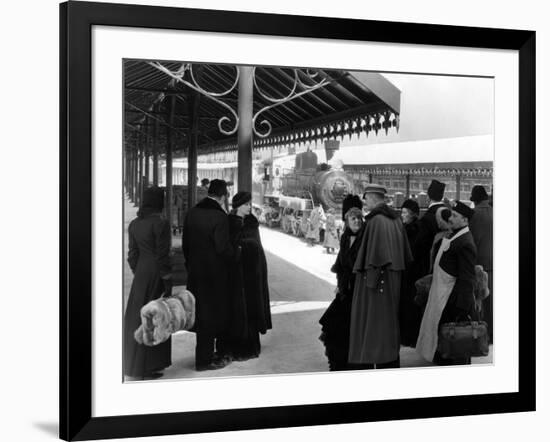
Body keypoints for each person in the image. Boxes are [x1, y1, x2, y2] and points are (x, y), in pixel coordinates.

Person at [348, 184, 412, 369]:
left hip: (378, 283)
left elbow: (375, 258)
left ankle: (379, 359)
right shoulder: (396, 220)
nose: (365, 202)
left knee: (376, 325)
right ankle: (390, 359)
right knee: (389, 324)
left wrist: (369, 284)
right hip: (394, 280)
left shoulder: (375, 221)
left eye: (366, 198)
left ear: (374, 198)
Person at [182, 179, 235, 371]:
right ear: (222, 196)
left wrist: (191, 267)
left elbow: (186, 245)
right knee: (214, 315)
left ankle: (203, 356)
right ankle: (205, 361)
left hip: (196, 274)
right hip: (215, 276)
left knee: (201, 315)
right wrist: (235, 253)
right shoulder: (220, 217)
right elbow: (222, 249)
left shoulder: (192, 213)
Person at [416, 201, 478, 365]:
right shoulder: (455, 235)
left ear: (465, 221)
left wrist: (462, 310)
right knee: (445, 346)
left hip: (452, 303)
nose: (450, 218)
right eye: (451, 214)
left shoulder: (465, 242)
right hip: (444, 298)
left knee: (455, 348)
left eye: (455, 216)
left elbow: (467, 279)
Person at [124, 186, 172, 380]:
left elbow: (132, 255)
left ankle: (133, 364)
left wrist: (140, 272)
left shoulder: (135, 223)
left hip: (142, 273)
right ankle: (148, 365)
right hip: (155, 273)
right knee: (156, 317)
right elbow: (163, 256)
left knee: (137, 317)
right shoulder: (161, 223)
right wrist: (167, 280)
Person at [224, 191, 272, 361]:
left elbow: (256, 245)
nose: (249, 207)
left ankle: (251, 345)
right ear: (237, 206)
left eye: (250, 204)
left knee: (251, 307)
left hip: (253, 272)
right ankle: (237, 346)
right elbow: (229, 247)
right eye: (246, 205)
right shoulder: (229, 223)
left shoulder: (252, 223)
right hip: (236, 273)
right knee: (237, 308)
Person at [319, 204, 364, 371]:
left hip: (357, 289)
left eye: (359, 218)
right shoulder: (345, 237)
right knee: (334, 323)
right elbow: (340, 263)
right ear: (347, 221)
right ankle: (339, 359)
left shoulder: (365, 239)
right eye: (353, 218)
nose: (357, 221)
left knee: (349, 325)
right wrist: (340, 284)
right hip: (345, 288)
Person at [469, 185, 493, 342]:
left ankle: (484, 335)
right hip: (496, 263)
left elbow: (471, 241)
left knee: (480, 302)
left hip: (480, 265)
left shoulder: (473, 214)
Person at [399, 198, 424, 347]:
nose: (402, 215)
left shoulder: (413, 230)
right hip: (409, 273)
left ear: (412, 214)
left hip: (411, 274)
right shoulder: (409, 228)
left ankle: (409, 337)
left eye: (404, 213)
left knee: (410, 306)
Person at [415, 179, 447, 278]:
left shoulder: (427, 218)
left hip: (429, 265)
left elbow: (420, 245)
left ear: (428, 197)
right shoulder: (449, 213)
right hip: (446, 264)